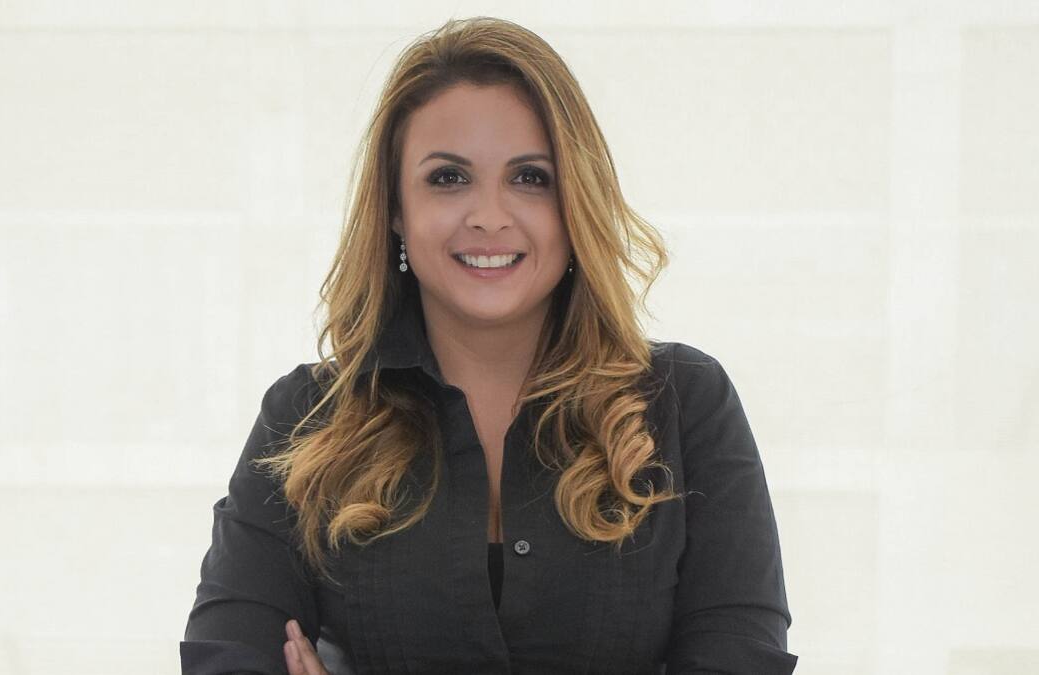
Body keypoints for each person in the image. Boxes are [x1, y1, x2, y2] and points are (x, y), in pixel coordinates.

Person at [181, 15, 797, 675]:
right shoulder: (306, 416)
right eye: (449, 178)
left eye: (530, 177)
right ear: (395, 207)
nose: (489, 216)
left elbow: (742, 656)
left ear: (575, 202)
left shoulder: (685, 404)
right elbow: (229, 656)